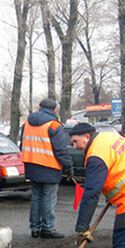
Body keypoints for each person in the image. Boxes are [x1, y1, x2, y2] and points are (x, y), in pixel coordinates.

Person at [20, 97, 73, 239]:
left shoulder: (27, 124)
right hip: (49, 167)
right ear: (54, 109)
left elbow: (22, 145)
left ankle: (35, 228)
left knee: (36, 198)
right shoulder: (54, 125)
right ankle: (47, 228)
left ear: (39, 107)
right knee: (49, 199)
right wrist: (68, 166)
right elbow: (60, 149)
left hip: (31, 165)